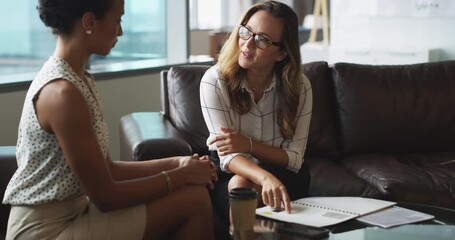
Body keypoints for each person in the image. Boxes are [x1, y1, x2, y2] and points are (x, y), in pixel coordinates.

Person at [2, 0, 216, 239]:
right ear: (90, 22)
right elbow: (106, 197)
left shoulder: (79, 78)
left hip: (76, 210)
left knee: (193, 193)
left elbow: (109, 170)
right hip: (45, 228)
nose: (121, 31)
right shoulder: (62, 94)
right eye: (118, 20)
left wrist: (179, 163)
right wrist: (181, 176)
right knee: (193, 200)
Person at [200, 0, 313, 227]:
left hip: (285, 175)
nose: (247, 44)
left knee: (244, 185)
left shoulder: (299, 86)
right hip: (230, 173)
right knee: (241, 183)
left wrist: (248, 145)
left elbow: (294, 159)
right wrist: (263, 177)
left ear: (281, 53)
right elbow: (228, 156)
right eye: (246, 31)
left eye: (262, 39)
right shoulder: (215, 81)